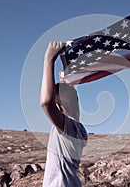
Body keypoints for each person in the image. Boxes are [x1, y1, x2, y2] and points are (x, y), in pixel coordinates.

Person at [40, 41, 88, 187]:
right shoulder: (78, 129)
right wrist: (65, 65)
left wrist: (49, 60)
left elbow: (45, 102)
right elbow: (69, 95)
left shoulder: (68, 128)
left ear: (58, 106)